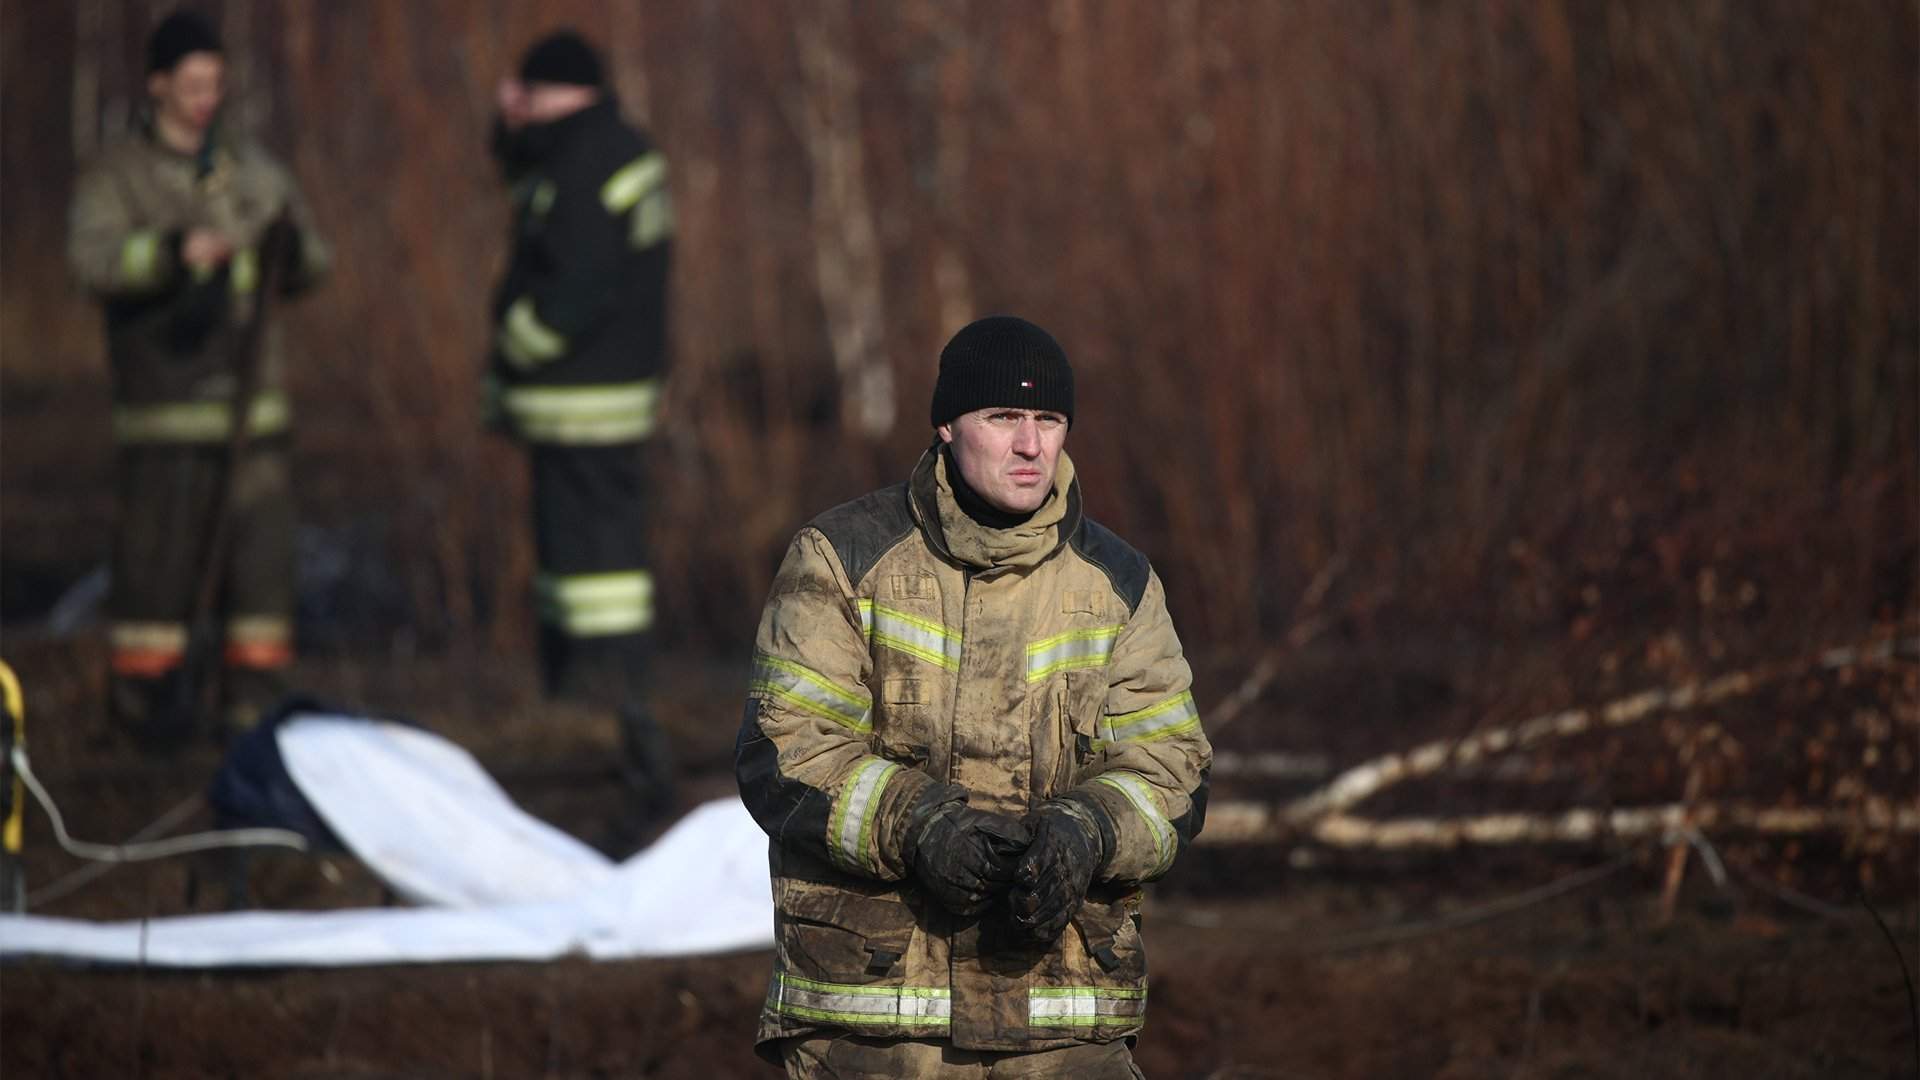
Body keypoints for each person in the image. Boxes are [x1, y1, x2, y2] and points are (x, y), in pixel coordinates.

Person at [736, 316, 1212, 1076]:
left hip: (1064, 1028)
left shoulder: (1119, 585)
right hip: (872, 1026)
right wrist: (918, 824)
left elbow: (1172, 771)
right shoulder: (841, 559)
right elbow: (785, 748)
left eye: (1048, 420)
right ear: (948, 426)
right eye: (1003, 418)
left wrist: (1088, 830)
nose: (1030, 446)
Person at [67, 10, 330, 742]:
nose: (205, 99)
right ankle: (145, 729)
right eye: (191, 85)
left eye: (215, 83)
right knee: (156, 586)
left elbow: (314, 260)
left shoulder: (251, 171)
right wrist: (169, 255)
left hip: (256, 422)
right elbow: (89, 262)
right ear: (157, 86)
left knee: (261, 586)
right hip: (164, 418)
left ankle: (253, 718)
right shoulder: (119, 177)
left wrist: (292, 250)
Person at [486, 30, 676, 830]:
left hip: (580, 393)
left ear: (554, 92)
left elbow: (577, 279)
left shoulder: (583, 161)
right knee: (597, 563)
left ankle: (607, 702)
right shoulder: (607, 148)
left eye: (529, 94)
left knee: (591, 564)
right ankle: (610, 701)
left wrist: (514, 342)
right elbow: (518, 175)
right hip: (608, 393)